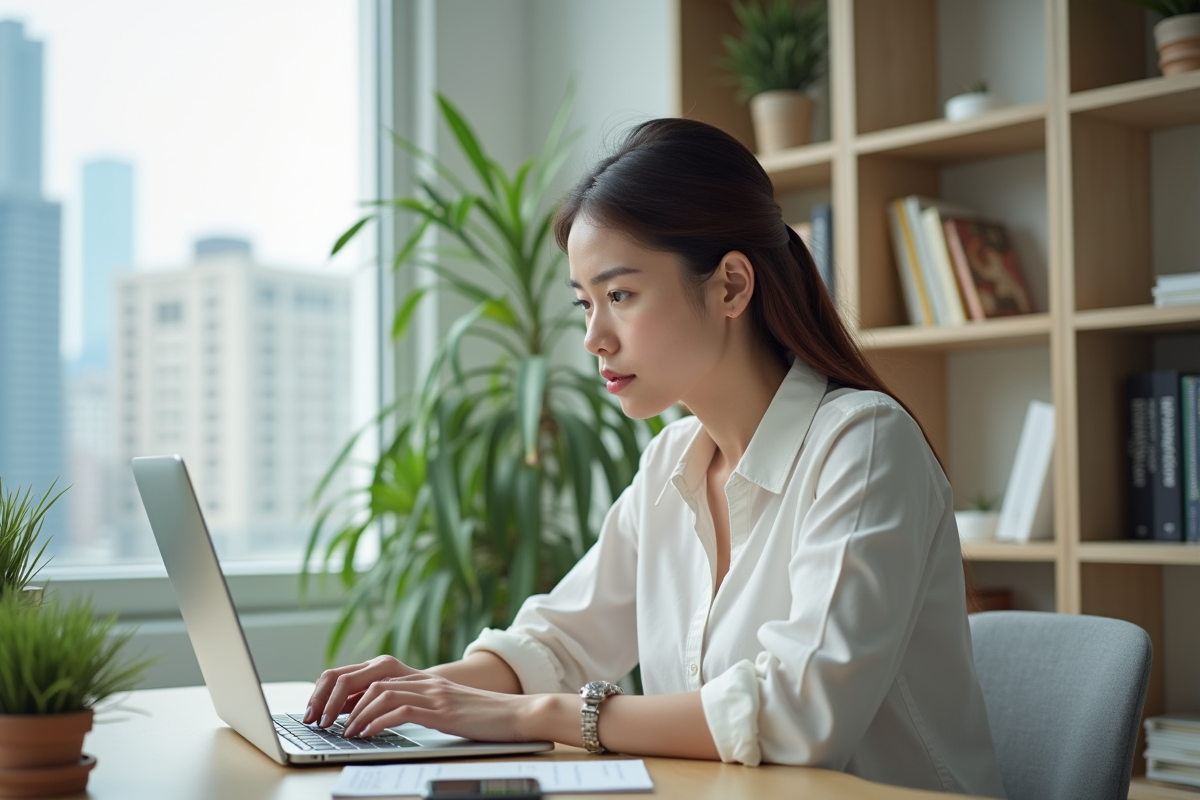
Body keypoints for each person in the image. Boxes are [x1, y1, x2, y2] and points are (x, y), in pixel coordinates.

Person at [305, 118, 1006, 798]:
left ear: (730, 285)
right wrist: (422, 691)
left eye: (620, 295)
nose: (594, 338)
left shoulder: (864, 445)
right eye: (585, 303)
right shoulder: (671, 462)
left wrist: (539, 716)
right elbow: (559, 643)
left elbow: (800, 716)